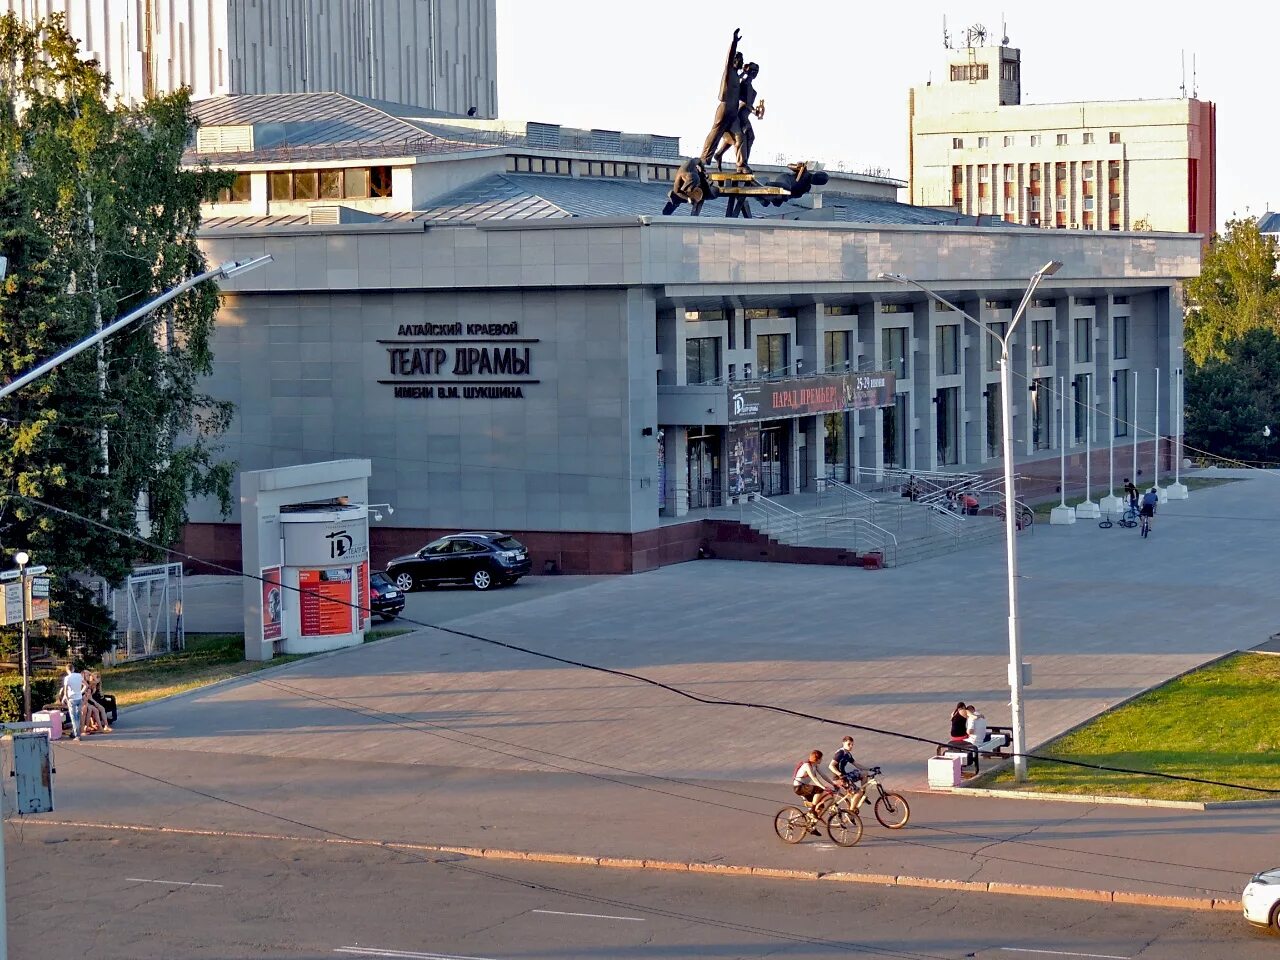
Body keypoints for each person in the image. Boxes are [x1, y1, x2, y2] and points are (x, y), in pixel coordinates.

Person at [61, 662, 85, 741]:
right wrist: (80, 692)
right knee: (78, 716)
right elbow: (86, 685)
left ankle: (77, 735)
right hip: (79, 697)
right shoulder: (79, 676)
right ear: (73, 669)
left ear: (67, 670)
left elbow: (65, 691)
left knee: (73, 717)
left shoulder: (67, 678)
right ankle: (75, 732)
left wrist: (66, 699)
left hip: (72, 699)